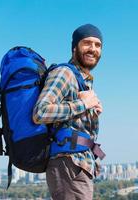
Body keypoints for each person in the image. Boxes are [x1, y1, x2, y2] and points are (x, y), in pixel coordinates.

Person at [33, 24, 104, 200]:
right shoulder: (64, 73)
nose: (93, 49)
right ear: (74, 48)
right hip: (68, 164)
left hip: (78, 165)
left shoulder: (82, 81)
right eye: (87, 43)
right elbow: (40, 112)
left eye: (97, 45)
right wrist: (82, 104)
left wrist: (90, 112)